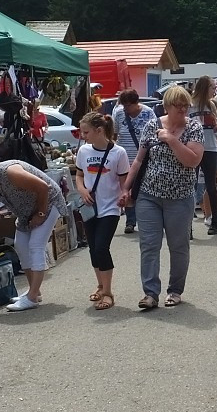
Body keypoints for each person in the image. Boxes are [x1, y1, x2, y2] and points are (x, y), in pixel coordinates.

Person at [121, 85, 204, 310]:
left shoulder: (194, 127)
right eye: (179, 106)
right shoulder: (152, 125)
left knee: (178, 246)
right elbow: (138, 160)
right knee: (149, 245)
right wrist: (126, 188)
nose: (184, 110)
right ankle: (150, 293)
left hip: (180, 196)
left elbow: (193, 161)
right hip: (149, 196)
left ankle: (175, 290)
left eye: (186, 105)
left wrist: (171, 140)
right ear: (167, 106)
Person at [0, 160, 67, 312]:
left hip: (49, 204)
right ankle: (34, 292)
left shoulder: (10, 173)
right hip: (26, 212)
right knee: (20, 245)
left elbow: (44, 187)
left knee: (36, 245)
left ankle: (31, 298)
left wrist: (41, 214)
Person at [75, 112, 130, 311]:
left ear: (99, 131)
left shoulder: (119, 153)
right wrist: (81, 190)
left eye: (86, 132)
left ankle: (108, 292)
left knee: (101, 247)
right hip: (90, 207)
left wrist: (125, 194)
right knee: (92, 248)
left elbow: (124, 181)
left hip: (110, 208)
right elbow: (79, 176)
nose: (83, 136)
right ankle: (100, 285)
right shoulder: (84, 151)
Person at [112, 89, 157, 234]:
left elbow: (155, 133)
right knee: (127, 190)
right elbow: (114, 134)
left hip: (144, 158)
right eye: (124, 106)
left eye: (128, 106)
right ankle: (130, 221)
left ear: (136, 103)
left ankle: (146, 219)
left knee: (143, 190)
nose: (126, 109)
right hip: (125, 159)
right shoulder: (119, 113)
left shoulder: (148, 113)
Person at [190, 76, 217, 235]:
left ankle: (214, 222)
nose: (215, 89)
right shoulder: (190, 104)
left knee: (211, 185)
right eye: (212, 87)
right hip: (192, 147)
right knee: (190, 186)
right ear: (205, 87)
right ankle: (188, 226)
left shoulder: (213, 104)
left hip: (211, 147)